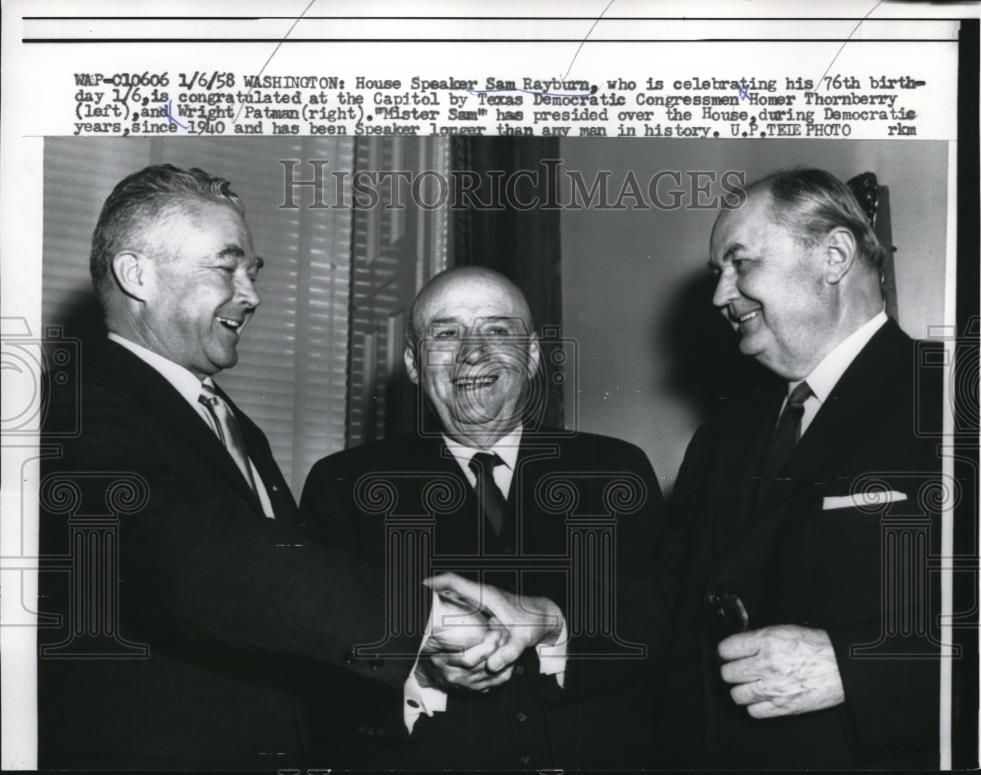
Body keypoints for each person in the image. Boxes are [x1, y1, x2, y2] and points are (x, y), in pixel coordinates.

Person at [36, 166, 527, 770]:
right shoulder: (74, 406)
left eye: (253, 271)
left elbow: (274, 617)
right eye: (227, 267)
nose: (251, 294)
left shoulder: (231, 425)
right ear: (138, 275)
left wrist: (416, 660)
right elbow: (193, 559)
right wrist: (418, 620)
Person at [300, 266, 665, 770]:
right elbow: (317, 660)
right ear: (412, 362)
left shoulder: (615, 469)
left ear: (533, 355)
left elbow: (658, 624)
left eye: (497, 330)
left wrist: (553, 628)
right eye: (446, 333)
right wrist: (419, 669)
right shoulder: (344, 485)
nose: (474, 352)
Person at [658, 168, 943, 769]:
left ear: (834, 255)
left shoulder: (956, 399)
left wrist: (855, 666)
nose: (719, 296)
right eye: (718, 272)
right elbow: (667, 610)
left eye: (741, 263)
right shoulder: (720, 439)